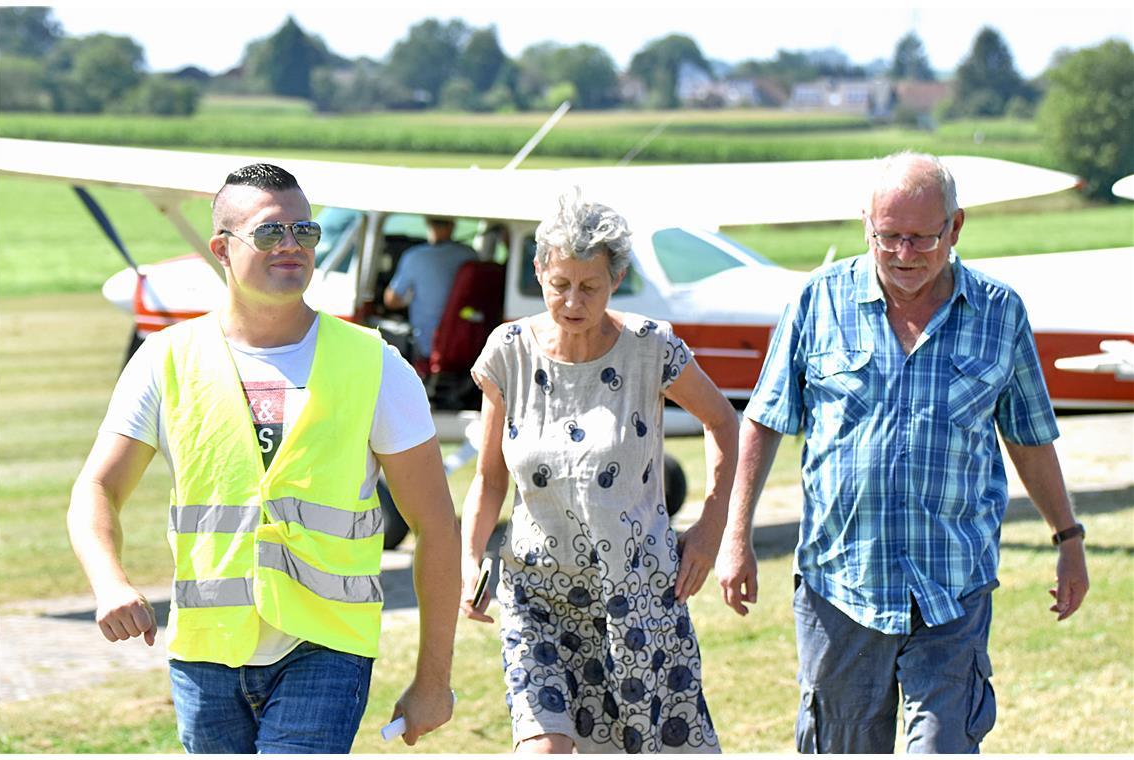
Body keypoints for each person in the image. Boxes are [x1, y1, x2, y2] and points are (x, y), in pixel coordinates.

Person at [67, 163, 460, 753]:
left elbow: (435, 526)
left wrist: (434, 681)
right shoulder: (164, 359)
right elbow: (95, 490)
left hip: (326, 648)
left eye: (305, 232)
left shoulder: (376, 364)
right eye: (271, 233)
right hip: (205, 651)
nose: (293, 247)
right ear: (222, 248)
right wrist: (109, 582)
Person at [715, 151, 1089, 753]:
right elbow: (765, 421)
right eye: (888, 237)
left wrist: (1068, 539)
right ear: (866, 224)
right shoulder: (817, 303)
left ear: (956, 227)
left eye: (922, 238)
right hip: (841, 587)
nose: (904, 254)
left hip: (952, 587)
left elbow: (1029, 436)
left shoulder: (999, 313)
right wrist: (737, 538)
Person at [459, 189, 738, 753]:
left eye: (589, 286)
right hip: (538, 598)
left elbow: (725, 423)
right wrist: (469, 557)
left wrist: (711, 531)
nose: (571, 301)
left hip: (637, 597)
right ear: (538, 270)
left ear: (617, 278)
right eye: (559, 284)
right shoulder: (507, 351)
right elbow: (490, 477)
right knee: (544, 747)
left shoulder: (650, 348)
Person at [383, 216, 478, 366]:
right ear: (452, 226)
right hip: (466, 340)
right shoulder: (470, 255)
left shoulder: (415, 256)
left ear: (429, 224)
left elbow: (391, 301)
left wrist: (408, 298)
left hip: (427, 345)